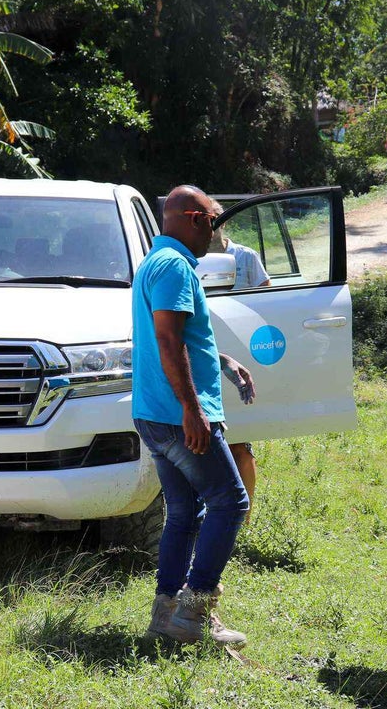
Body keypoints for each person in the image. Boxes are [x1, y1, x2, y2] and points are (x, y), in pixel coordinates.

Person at [133, 185, 257, 648]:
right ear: (194, 218)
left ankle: (167, 613)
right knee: (231, 502)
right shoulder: (174, 266)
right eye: (214, 220)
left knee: (186, 511)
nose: (217, 232)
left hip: (155, 412)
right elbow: (168, 341)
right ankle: (195, 610)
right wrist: (193, 408)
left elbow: (175, 337)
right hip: (176, 414)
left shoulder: (157, 261)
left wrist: (220, 360)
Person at [207, 200, 270, 519]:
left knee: (240, 443)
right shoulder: (187, 260)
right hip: (204, 356)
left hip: (240, 360)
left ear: (224, 222)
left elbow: (269, 301)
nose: (211, 227)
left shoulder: (245, 257)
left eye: (215, 220)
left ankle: (243, 518)